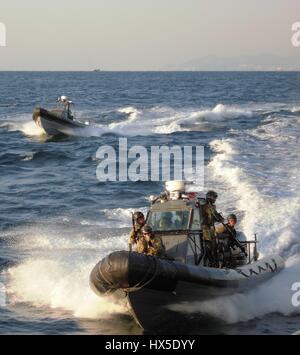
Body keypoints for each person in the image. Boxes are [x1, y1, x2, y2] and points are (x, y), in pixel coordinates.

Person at [201, 191, 224, 266]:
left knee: (214, 247)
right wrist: (217, 218)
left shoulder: (211, 206)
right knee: (209, 247)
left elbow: (215, 214)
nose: (215, 199)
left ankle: (215, 262)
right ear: (211, 197)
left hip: (211, 229)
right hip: (206, 230)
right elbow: (211, 215)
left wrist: (220, 218)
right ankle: (211, 262)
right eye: (214, 198)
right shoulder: (205, 206)